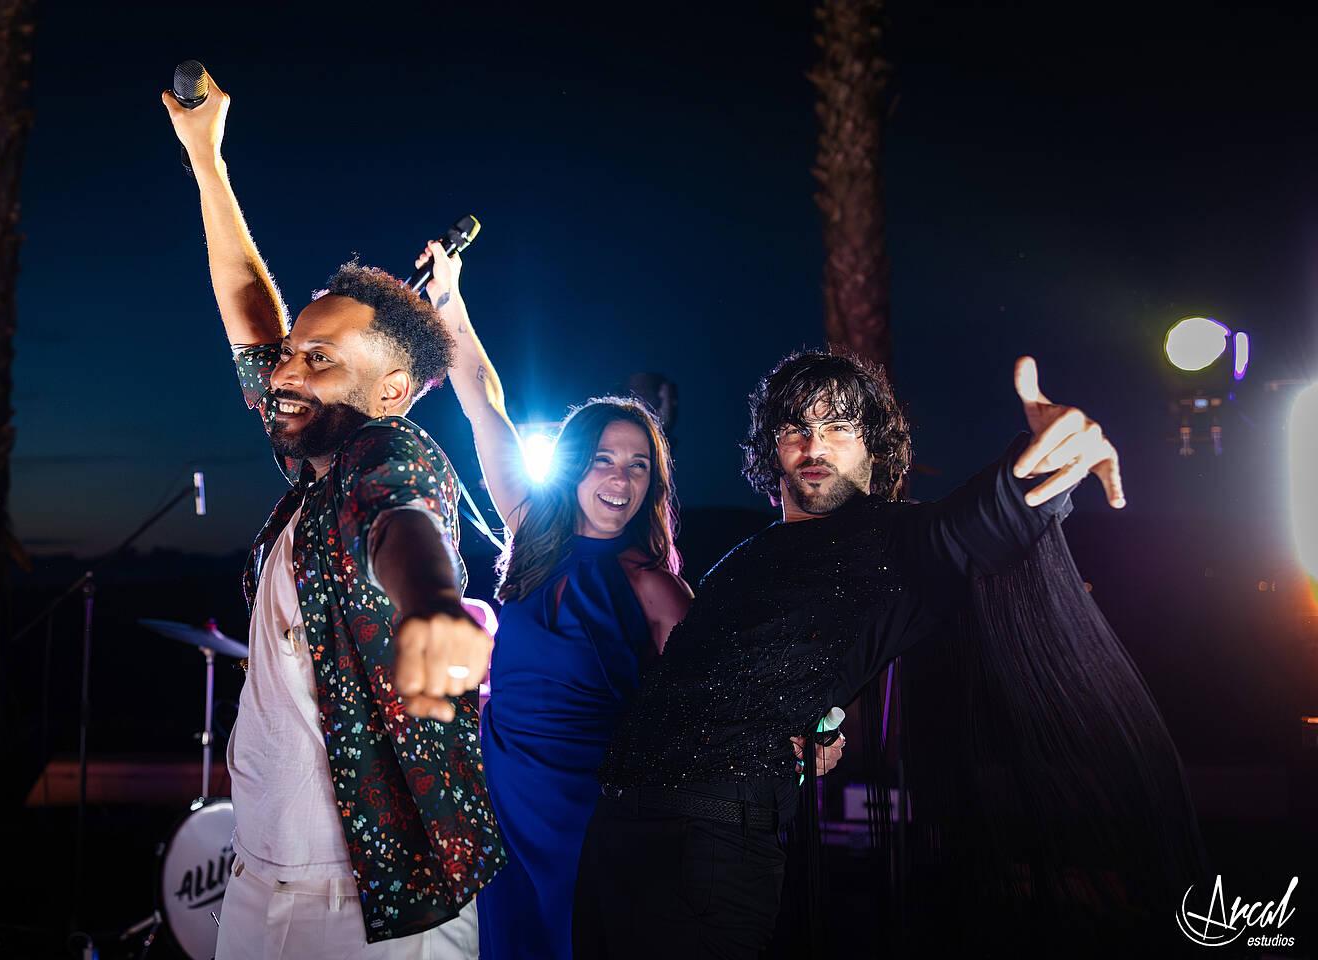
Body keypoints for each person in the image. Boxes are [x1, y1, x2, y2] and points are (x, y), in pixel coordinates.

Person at [572, 349, 1204, 958]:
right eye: (796, 427)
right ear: (772, 447)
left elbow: (982, 521)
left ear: (873, 445)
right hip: (614, 836)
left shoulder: (895, 538)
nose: (814, 446)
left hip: (707, 853)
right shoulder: (744, 557)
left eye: (838, 426)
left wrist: (1039, 465)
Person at [163, 75, 502, 960]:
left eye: (318, 359)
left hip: (370, 905)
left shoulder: (386, 456)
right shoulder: (310, 474)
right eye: (289, 356)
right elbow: (249, 313)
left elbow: (403, 520)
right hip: (259, 880)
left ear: (392, 391)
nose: (283, 372)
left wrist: (430, 608)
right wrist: (208, 158)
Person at [411, 243, 816, 960]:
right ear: (574, 467)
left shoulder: (654, 586)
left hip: (592, 825)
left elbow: (724, 698)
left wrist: (801, 734)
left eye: (637, 466)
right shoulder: (531, 529)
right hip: (506, 814)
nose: (620, 480)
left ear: (652, 483)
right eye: (602, 459)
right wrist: (450, 303)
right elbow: (483, 401)